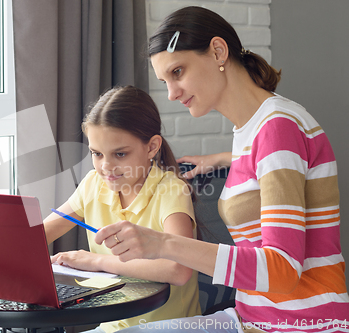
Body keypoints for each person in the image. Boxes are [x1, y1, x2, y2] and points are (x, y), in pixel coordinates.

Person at [95, 6, 349, 333]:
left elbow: (283, 271)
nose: (171, 94)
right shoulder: (254, 130)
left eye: (178, 72)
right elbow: (274, 163)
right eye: (164, 81)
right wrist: (219, 158)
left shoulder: (278, 127)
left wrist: (161, 244)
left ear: (218, 51)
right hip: (252, 318)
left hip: (302, 324)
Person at [43, 85, 202, 333]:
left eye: (120, 154)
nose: (106, 166)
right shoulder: (93, 184)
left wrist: (97, 261)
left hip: (169, 328)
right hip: (113, 327)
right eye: (97, 153)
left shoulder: (171, 190)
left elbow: (179, 270)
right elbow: (40, 235)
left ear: (151, 147)